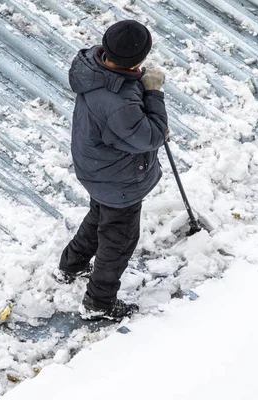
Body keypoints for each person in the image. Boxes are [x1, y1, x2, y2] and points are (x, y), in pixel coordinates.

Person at [56, 20, 168, 320]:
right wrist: (154, 93)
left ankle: (72, 263)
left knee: (100, 214)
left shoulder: (94, 68)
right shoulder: (119, 101)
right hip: (119, 178)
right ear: (140, 58)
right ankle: (99, 302)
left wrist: (138, 86)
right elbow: (151, 136)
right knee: (118, 241)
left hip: (97, 166)